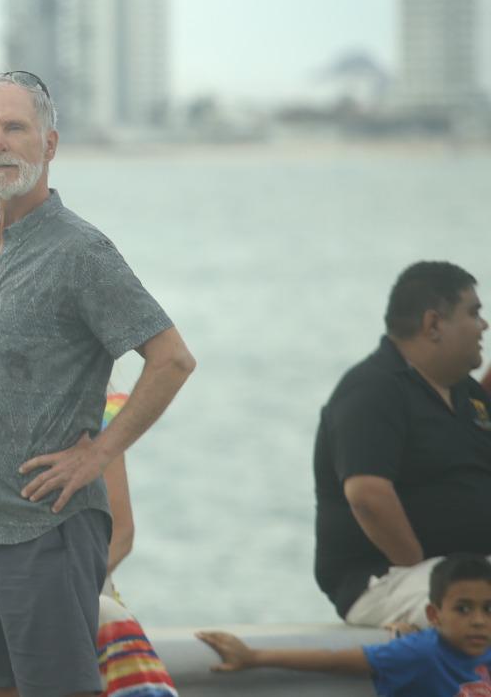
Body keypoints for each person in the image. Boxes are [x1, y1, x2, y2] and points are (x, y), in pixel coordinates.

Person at [0, 70, 196, 697]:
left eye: (14, 128)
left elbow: (171, 359)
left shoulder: (81, 251)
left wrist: (99, 454)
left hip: (46, 530)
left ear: (49, 144)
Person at [0, 384, 179, 697]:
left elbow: (121, 534)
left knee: (100, 619)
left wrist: (65, 590)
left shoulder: (85, 416)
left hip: (65, 581)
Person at [314, 261, 491, 632]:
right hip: (386, 580)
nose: (484, 325)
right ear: (433, 324)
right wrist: (423, 570)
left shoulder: (465, 394)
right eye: (474, 313)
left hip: (467, 571)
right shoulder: (373, 390)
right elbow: (367, 495)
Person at [197, 553, 491, 696]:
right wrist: (255, 657)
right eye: (463, 609)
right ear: (433, 614)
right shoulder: (419, 653)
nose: (478, 621)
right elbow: (335, 661)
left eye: (488, 610)